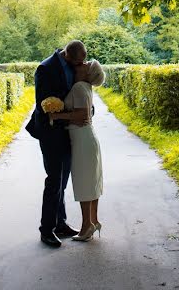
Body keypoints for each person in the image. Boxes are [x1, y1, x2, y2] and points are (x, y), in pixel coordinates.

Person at [25, 40, 87, 248]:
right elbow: (43, 103)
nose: (79, 66)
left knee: (63, 179)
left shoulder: (71, 64)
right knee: (54, 180)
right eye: (77, 62)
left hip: (67, 131)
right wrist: (70, 116)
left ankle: (61, 223)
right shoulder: (45, 68)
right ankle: (46, 230)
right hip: (50, 131)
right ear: (67, 55)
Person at [49, 59, 105, 242]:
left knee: (83, 183)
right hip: (87, 138)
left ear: (87, 73)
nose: (83, 63)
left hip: (82, 140)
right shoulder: (86, 87)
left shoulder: (80, 86)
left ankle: (86, 226)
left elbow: (82, 115)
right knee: (92, 182)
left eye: (86, 64)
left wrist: (55, 115)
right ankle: (93, 221)